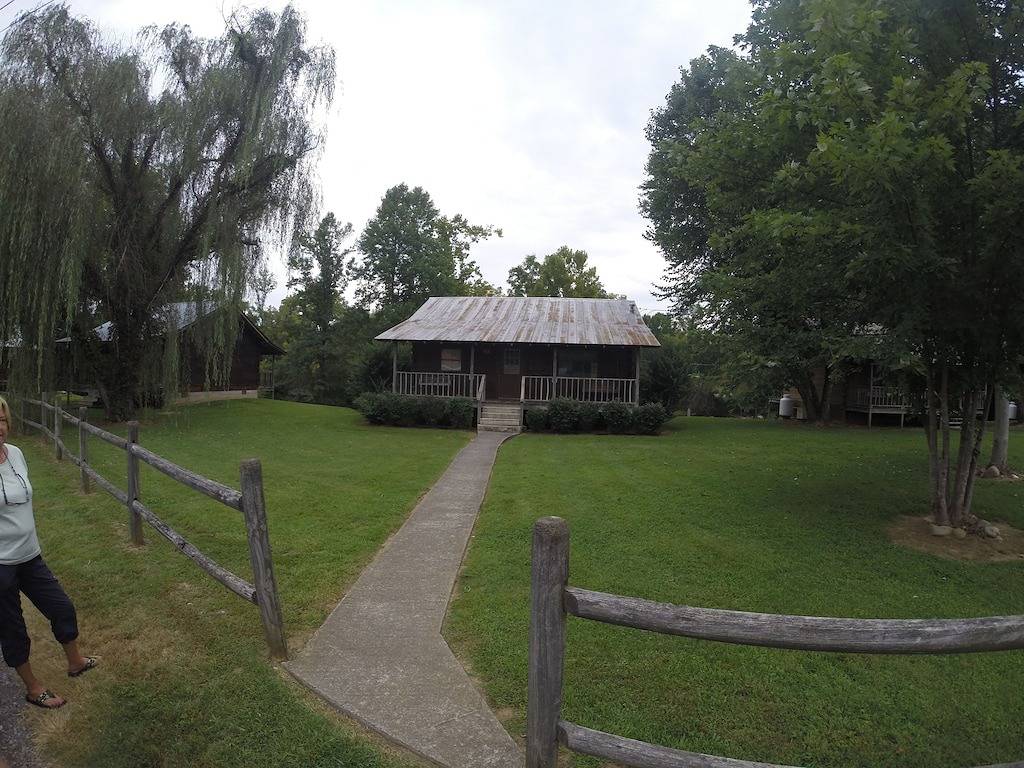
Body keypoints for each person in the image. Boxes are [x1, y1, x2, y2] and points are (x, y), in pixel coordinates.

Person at [0, 396, 96, 709]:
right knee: (13, 629)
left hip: (30, 554)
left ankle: (75, 662)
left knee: (62, 606)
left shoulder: (15, 454)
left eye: (1, 420)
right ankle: (33, 688)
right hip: (1, 564)